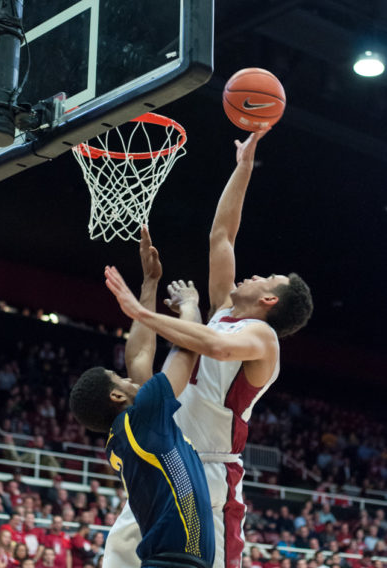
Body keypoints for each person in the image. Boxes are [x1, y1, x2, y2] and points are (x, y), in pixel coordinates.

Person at [103, 131, 313, 568]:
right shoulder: (222, 311)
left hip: (209, 472)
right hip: (162, 458)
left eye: (266, 278)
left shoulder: (261, 337)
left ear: (270, 300)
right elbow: (222, 234)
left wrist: (143, 314)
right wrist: (243, 167)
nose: (254, 275)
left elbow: (215, 347)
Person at [70, 228, 215, 568]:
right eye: (119, 378)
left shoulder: (127, 432)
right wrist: (190, 307)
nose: (128, 375)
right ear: (118, 395)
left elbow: (137, 359)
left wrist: (150, 284)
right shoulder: (142, 419)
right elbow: (188, 350)